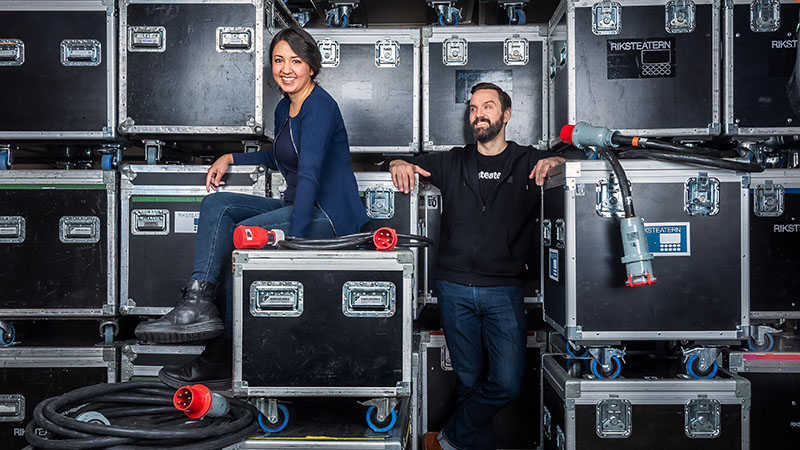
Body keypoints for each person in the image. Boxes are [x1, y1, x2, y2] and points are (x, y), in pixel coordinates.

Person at [134, 26, 369, 390]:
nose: (286, 69)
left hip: (329, 217)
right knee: (218, 204)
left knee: (239, 243)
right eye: (278, 60)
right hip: (299, 205)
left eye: (296, 61)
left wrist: (293, 236)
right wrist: (231, 157)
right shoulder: (284, 108)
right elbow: (280, 157)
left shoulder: (321, 107)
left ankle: (221, 356)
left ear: (311, 67)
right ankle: (197, 301)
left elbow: (308, 173)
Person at [388, 83, 566, 450]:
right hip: (454, 288)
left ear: (506, 114)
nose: (478, 114)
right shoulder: (452, 161)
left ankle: (447, 439)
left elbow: (570, 162)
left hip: (504, 290)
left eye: (487, 107)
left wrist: (557, 163)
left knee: (506, 383)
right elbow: (399, 160)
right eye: (473, 108)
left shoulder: (527, 160)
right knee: (469, 381)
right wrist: (397, 163)